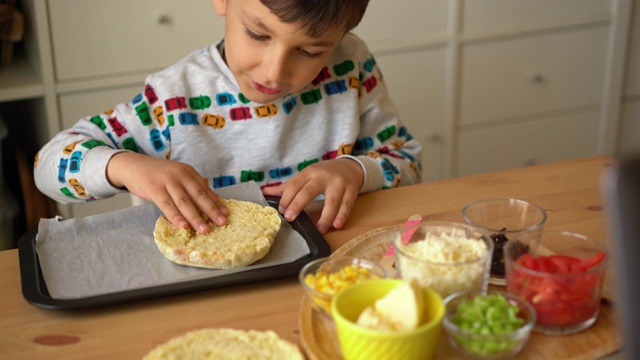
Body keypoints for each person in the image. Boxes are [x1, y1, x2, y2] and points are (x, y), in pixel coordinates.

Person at [34, 0, 422, 235]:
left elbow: (407, 161)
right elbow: (47, 165)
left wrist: (356, 170)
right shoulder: (174, 100)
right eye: (257, 34)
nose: (273, 71)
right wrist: (126, 167)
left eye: (310, 52)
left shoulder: (351, 65)